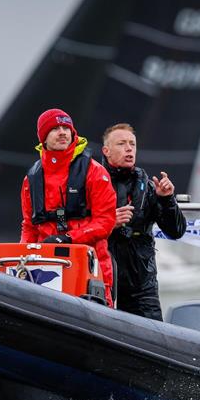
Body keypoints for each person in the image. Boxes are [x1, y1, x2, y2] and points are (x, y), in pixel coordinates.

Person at [20, 108, 117, 305]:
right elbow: (29, 226)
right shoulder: (32, 179)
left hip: (89, 267)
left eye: (66, 128)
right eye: (55, 128)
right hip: (45, 268)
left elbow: (105, 222)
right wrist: (20, 256)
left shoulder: (94, 172)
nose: (63, 132)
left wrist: (68, 238)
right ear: (43, 137)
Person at [101, 123, 186, 320]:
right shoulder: (93, 184)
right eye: (121, 144)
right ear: (106, 151)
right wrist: (109, 222)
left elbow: (176, 231)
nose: (128, 148)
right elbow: (77, 228)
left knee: (152, 330)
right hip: (102, 279)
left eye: (132, 144)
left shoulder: (148, 188)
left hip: (141, 284)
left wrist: (167, 199)